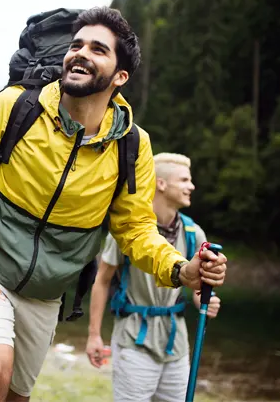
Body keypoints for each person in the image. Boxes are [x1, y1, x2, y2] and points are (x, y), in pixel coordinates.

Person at [0, 6, 228, 402]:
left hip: (45, 293)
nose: (80, 53)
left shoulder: (132, 145)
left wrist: (181, 269)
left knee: (14, 396)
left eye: (98, 49)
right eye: (76, 44)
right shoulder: (14, 106)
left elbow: (136, 229)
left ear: (120, 77)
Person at [86, 152, 222, 401]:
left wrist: (203, 300)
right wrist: (94, 334)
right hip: (134, 338)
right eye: (183, 180)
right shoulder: (129, 231)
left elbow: (197, 289)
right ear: (161, 183)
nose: (191, 186)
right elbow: (102, 280)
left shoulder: (194, 233)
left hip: (176, 344)